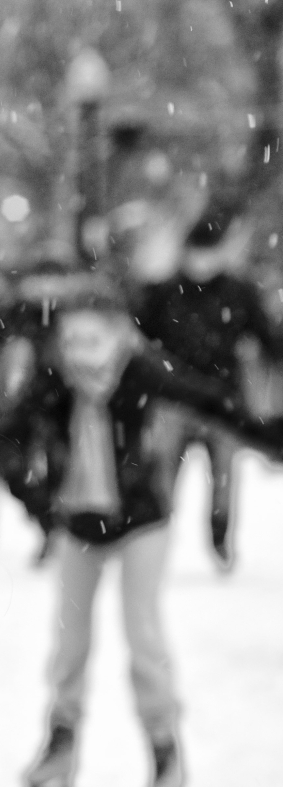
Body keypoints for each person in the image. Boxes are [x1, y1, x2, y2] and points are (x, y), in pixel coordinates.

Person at [1, 294, 283, 787]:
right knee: (70, 643)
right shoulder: (54, 380)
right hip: (79, 524)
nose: (82, 353)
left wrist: (268, 434)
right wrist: (37, 500)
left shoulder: (142, 371)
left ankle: (164, 749)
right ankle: (59, 747)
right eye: (71, 341)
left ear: (121, 338)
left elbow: (210, 400)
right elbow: (5, 437)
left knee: (143, 637)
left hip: (141, 523)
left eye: (94, 339)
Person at [133, 208, 283, 569]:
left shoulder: (239, 292)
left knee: (224, 475)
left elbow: (267, 339)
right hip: (172, 396)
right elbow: (139, 338)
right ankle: (156, 536)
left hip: (224, 397)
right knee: (163, 471)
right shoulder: (164, 291)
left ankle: (219, 538)